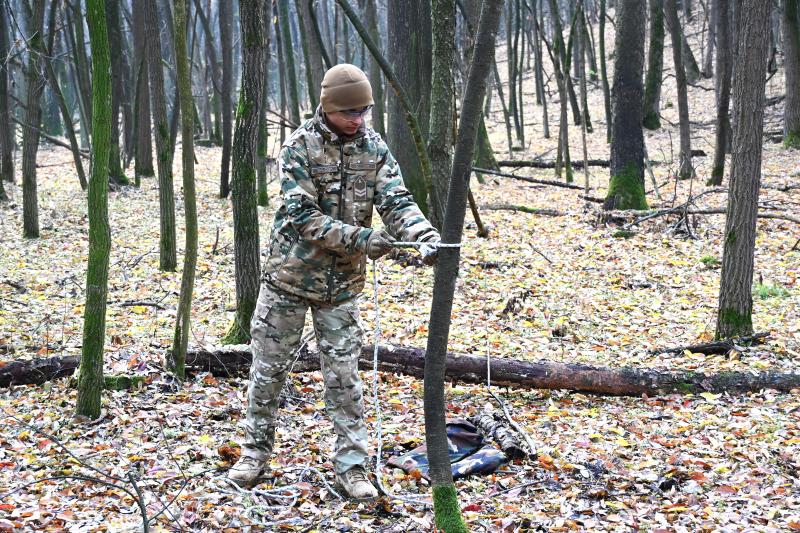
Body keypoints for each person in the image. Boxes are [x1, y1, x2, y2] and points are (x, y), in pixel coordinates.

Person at [227, 64, 441, 499]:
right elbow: (301, 216)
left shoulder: (374, 148)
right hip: (288, 281)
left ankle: (353, 467)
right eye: (349, 112)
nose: (357, 119)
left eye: (364, 111)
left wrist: (423, 235)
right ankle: (254, 456)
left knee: (344, 378)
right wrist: (362, 238)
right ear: (327, 107)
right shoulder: (298, 147)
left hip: (341, 288)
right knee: (268, 374)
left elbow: (396, 200)